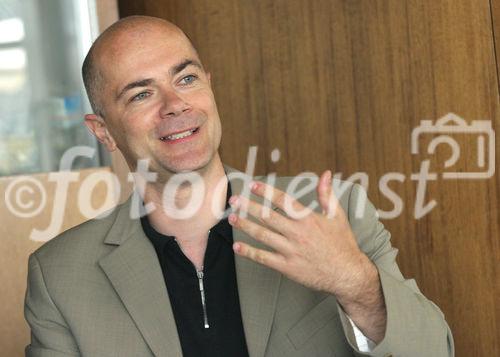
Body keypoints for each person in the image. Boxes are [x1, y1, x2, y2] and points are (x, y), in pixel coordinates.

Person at [24, 15, 454, 357]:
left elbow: (435, 351)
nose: (175, 106)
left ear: (209, 85)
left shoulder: (332, 211)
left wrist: (356, 285)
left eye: (186, 78)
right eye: (141, 95)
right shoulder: (61, 276)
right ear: (103, 132)